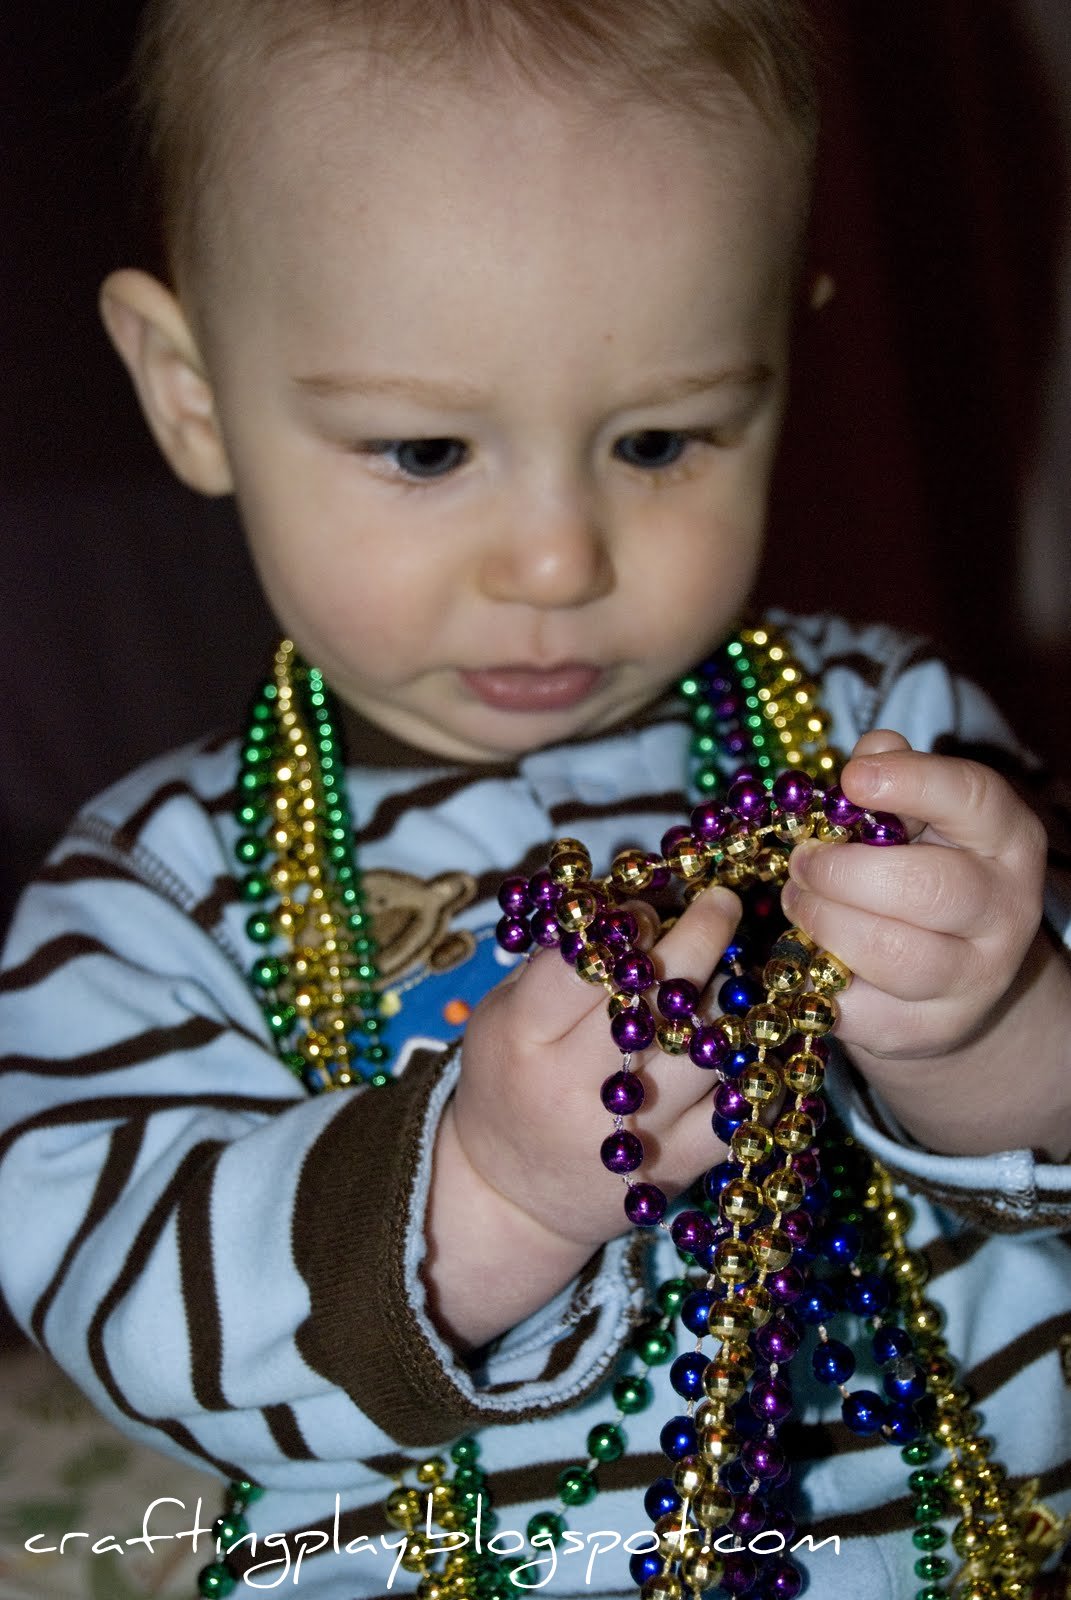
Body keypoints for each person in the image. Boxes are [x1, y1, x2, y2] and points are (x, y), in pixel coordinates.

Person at [1, 2, 1069, 1596]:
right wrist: (486, 1192)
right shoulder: (149, 895)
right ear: (192, 394)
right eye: (428, 450)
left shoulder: (891, 747)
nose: (559, 560)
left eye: (660, 438)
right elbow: (121, 1296)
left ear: (784, 347)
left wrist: (994, 1025)